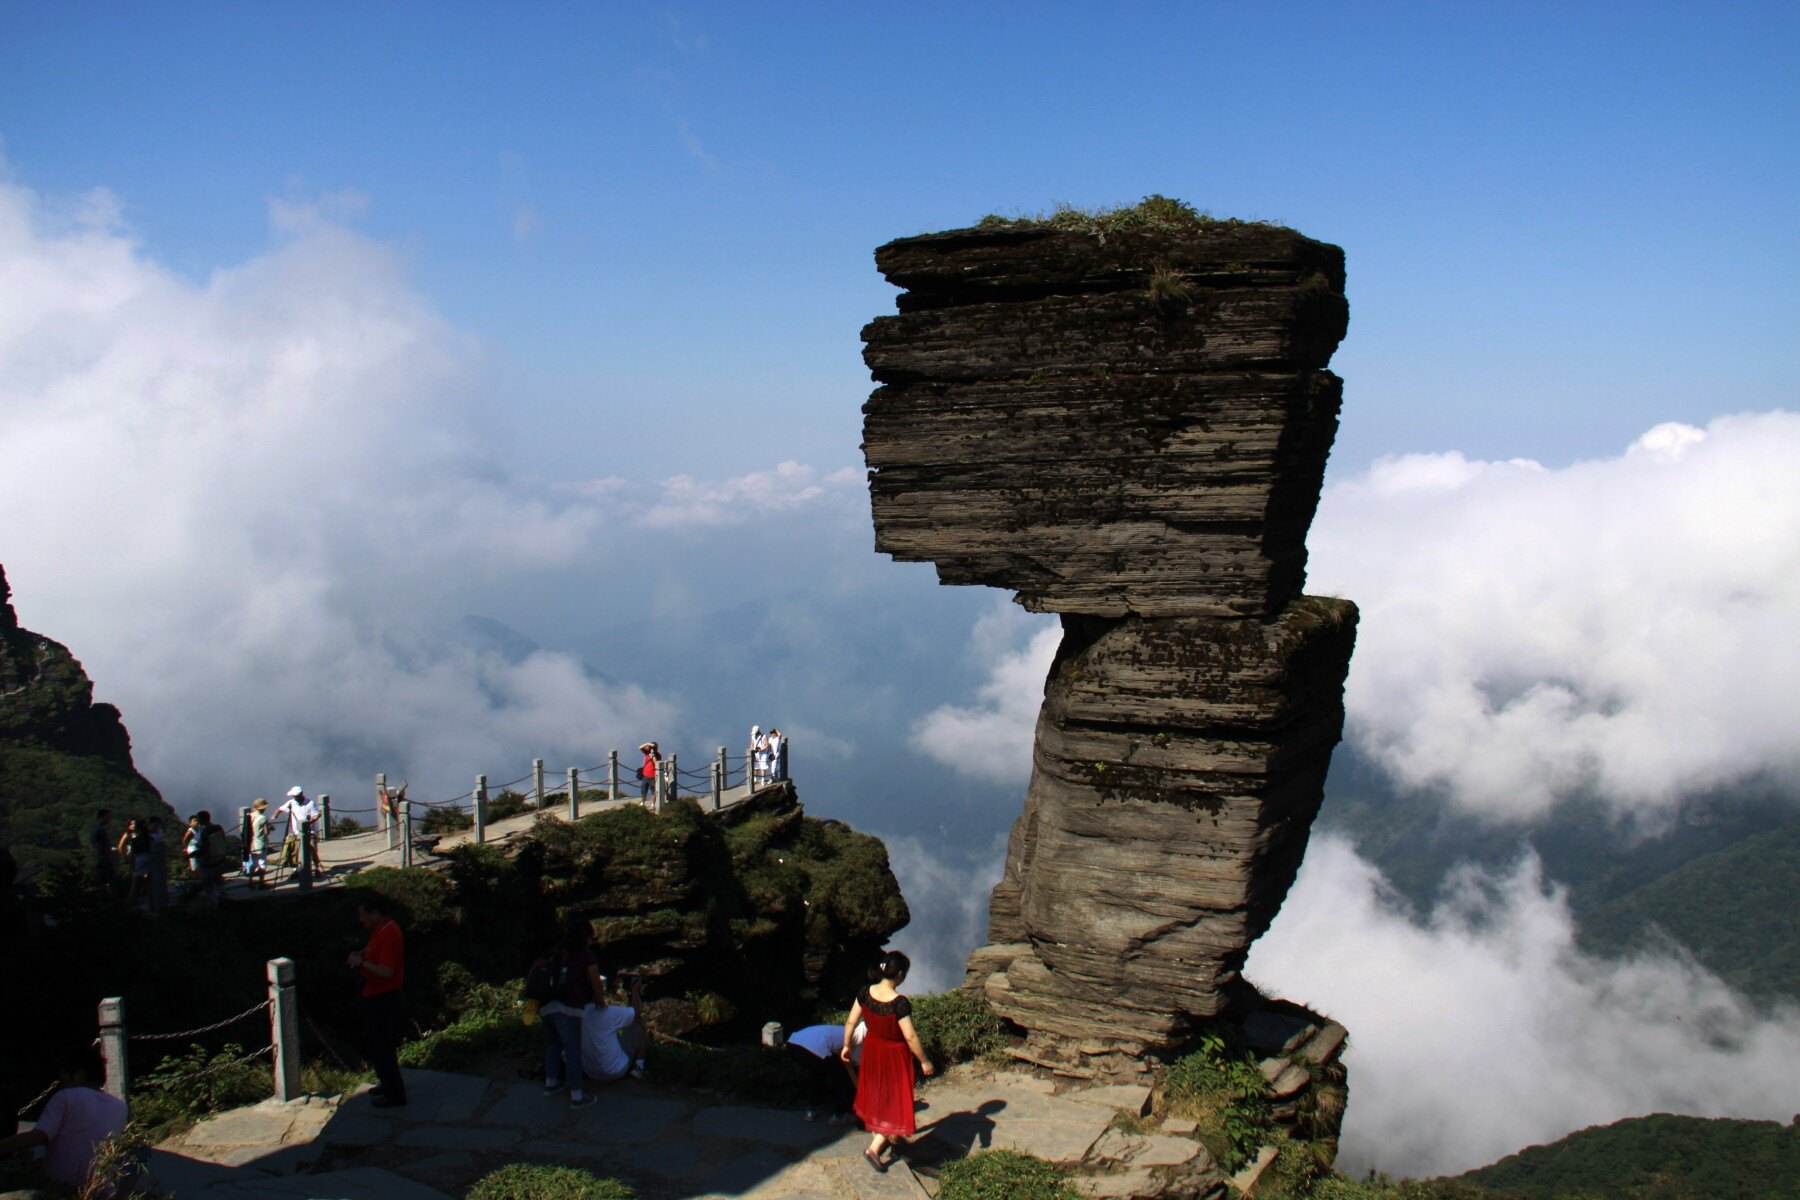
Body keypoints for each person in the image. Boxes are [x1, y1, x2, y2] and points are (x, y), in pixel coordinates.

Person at [842, 950, 934, 1173]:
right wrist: (924, 1061)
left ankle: (883, 1135)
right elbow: (910, 1036)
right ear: (900, 975)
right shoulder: (899, 1003)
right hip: (894, 1056)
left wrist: (846, 1046)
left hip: (872, 1050)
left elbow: (851, 1022)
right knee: (895, 1101)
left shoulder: (865, 992)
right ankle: (874, 1149)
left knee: (877, 1095)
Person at [0, 1043, 128, 1192]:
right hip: (100, 1187)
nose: (62, 1083)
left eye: (64, 1078)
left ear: (79, 1075)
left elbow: (39, 1136)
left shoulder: (66, 1097)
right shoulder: (120, 1106)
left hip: (61, 1186)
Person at [534, 917, 605, 1107]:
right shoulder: (585, 955)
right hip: (570, 1007)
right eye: (590, 937)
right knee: (573, 1050)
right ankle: (577, 1096)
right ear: (585, 936)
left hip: (547, 1006)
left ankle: (551, 1084)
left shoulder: (555, 952)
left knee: (553, 1045)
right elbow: (596, 981)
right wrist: (600, 1000)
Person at [347, 892, 407, 1107]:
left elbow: (387, 971)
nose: (361, 920)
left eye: (363, 915)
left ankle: (395, 1094)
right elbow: (372, 950)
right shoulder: (380, 930)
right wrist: (361, 954)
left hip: (384, 997)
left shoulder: (389, 932)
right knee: (376, 1046)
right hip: (374, 994)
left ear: (374, 913)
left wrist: (362, 964)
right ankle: (386, 1083)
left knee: (383, 1047)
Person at [581, 972, 648, 1085]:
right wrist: (635, 991)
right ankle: (639, 1068)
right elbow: (636, 1013)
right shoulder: (607, 1012)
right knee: (638, 1025)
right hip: (616, 1070)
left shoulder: (579, 1013)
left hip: (590, 1072)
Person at [783, 1022, 858, 1123]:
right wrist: (856, 1084)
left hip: (794, 1043)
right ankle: (840, 1113)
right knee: (840, 1076)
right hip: (815, 1047)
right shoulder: (856, 1036)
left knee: (817, 1073)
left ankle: (812, 1109)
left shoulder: (842, 1030)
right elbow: (846, 1060)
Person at [279, 787, 321, 880]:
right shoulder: (291, 803)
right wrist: (275, 815)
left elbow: (316, 815)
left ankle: (317, 868)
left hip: (310, 832)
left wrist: (309, 822)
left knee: (313, 850)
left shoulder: (310, 803)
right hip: (296, 832)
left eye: (296, 796)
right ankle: (296, 870)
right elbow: (281, 809)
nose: (295, 798)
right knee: (295, 851)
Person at [116, 817, 153, 905]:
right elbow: (121, 846)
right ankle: (131, 902)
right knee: (136, 881)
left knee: (147, 881)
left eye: (134, 824)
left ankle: (148, 902)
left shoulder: (145, 834)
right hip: (137, 859)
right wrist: (126, 857)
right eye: (131, 824)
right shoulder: (129, 835)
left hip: (146, 858)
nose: (132, 826)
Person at [243, 798, 271, 888]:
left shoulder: (249, 816)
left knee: (253, 863)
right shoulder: (263, 818)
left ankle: (250, 882)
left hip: (251, 843)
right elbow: (266, 832)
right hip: (260, 843)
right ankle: (261, 883)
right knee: (262, 863)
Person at [89, 809, 115, 892]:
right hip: (103, 859)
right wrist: (109, 856)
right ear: (102, 817)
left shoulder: (96, 829)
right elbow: (102, 846)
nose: (109, 819)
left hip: (100, 859)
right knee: (107, 880)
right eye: (108, 817)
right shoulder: (100, 830)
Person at [182, 813, 203, 881]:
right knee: (194, 866)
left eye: (197, 820)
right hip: (192, 849)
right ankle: (195, 880)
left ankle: (201, 879)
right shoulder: (190, 830)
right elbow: (185, 840)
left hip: (199, 848)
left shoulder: (200, 829)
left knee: (200, 865)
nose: (196, 822)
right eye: (194, 821)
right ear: (190, 823)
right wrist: (185, 849)